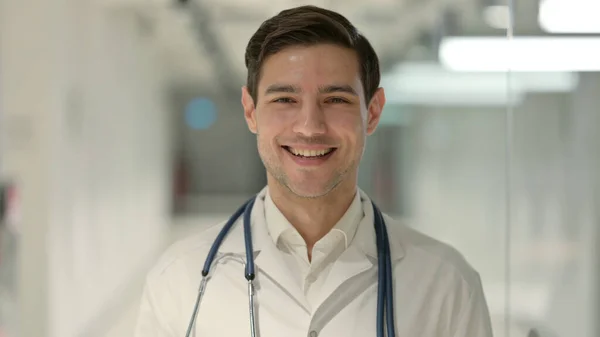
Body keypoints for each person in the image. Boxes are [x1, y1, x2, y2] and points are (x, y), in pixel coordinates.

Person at [134, 5, 494, 337]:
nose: (309, 126)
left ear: (372, 111)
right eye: (285, 100)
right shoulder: (178, 283)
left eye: (336, 99)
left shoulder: (447, 286)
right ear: (250, 111)